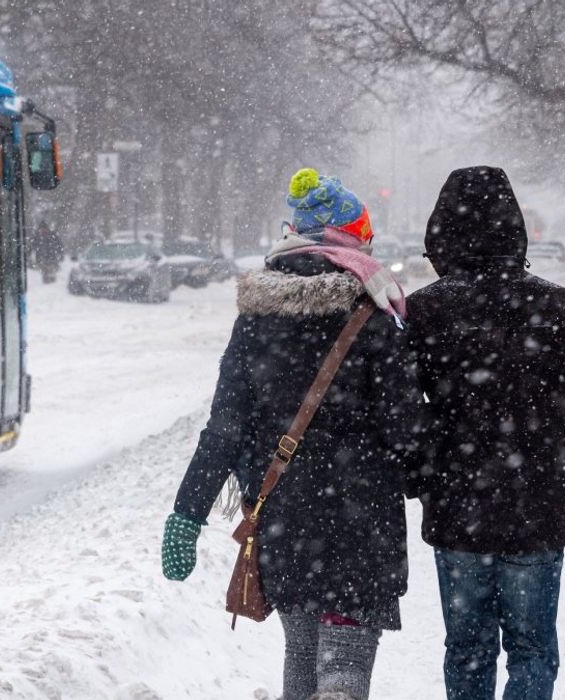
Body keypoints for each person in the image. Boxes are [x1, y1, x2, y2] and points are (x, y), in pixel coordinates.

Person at [161, 168, 424, 700]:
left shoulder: (257, 319)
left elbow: (225, 427)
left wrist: (187, 513)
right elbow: (404, 428)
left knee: (301, 657)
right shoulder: (374, 311)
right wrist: (433, 488)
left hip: (284, 520)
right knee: (344, 669)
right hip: (362, 522)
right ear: (350, 236)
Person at [406, 166, 565, 700]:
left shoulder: (427, 309)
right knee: (532, 650)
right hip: (538, 507)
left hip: (459, 512)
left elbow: (401, 414)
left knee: (467, 648)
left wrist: (423, 479)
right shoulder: (559, 306)